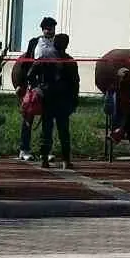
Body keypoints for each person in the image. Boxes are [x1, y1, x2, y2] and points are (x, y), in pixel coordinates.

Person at [13, 16, 58, 161]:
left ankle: (46, 149)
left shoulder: (57, 44)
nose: (49, 30)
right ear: (42, 29)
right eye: (47, 27)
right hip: (34, 85)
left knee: (48, 120)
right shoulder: (34, 42)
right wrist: (22, 84)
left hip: (50, 86)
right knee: (28, 117)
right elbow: (25, 64)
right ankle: (24, 149)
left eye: (51, 27)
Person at [32, 33, 79, 168]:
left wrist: (37, 88)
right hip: (63, 99)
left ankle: (44, 159)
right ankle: (65, 160)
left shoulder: (44, 58)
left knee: (46, 129)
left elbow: (30, 74)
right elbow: (75, 83)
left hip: (48, 97)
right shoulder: (70, 61)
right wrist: (74, 100)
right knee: (63, 131)